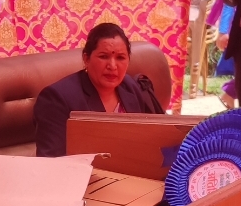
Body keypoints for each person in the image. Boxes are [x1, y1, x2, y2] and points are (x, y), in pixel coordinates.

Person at [33, 23, 164, 157]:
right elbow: (51, 161)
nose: (112, 66)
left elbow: (144, 142)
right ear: (86, 59)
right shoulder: (57, 98)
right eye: (103, 56)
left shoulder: (130, 87)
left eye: (120, 58)